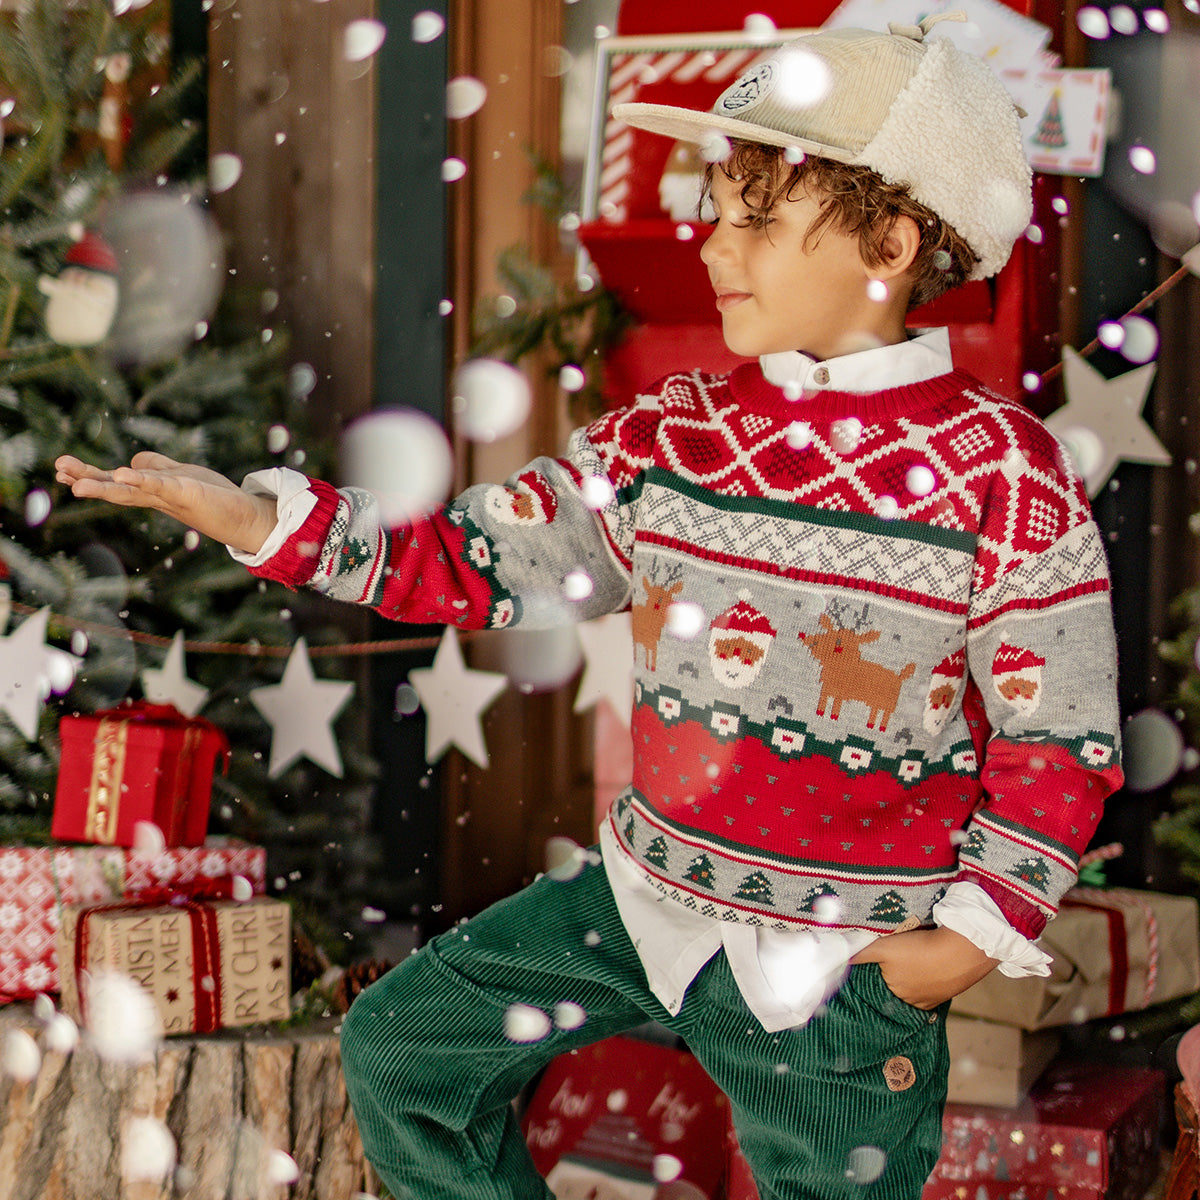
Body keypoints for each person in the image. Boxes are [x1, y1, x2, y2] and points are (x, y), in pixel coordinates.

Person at [56, 15, 1123, 1200]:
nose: (714, 245)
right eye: (718, 209)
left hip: (842, 963)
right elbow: (471, 556)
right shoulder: (670, 437)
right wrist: (263, 521)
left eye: (758, 219)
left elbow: (1059, 738)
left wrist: (965, 941)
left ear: (891, 239)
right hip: (641, 900)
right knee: (405, 1050)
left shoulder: (1004, 476)